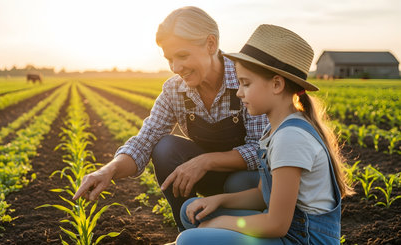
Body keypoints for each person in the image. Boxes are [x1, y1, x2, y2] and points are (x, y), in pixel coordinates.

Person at [72, 6, 268, 230]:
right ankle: (189, 230)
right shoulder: (174, 90)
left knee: (238, 182)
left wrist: (204, 161)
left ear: (211, 44)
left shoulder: (246, 79)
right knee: (165, 147)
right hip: (210, 176)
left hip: (251, 184)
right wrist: (108, 170)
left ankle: (242, 231)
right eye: (169, 59)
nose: (175, 68)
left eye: (182, 56)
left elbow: (261, 151)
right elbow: (145, 140)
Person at [175, 24, 354, 244]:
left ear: (277, 84)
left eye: (246, 84)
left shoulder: (291, 138)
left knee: (189, 240)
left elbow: (276, 225)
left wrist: (221, 223)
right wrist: (218, 201)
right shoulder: (276, 128)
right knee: (190, 212)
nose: (239, 93)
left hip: (302, 239)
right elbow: (262, 195)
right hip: (289, 231)